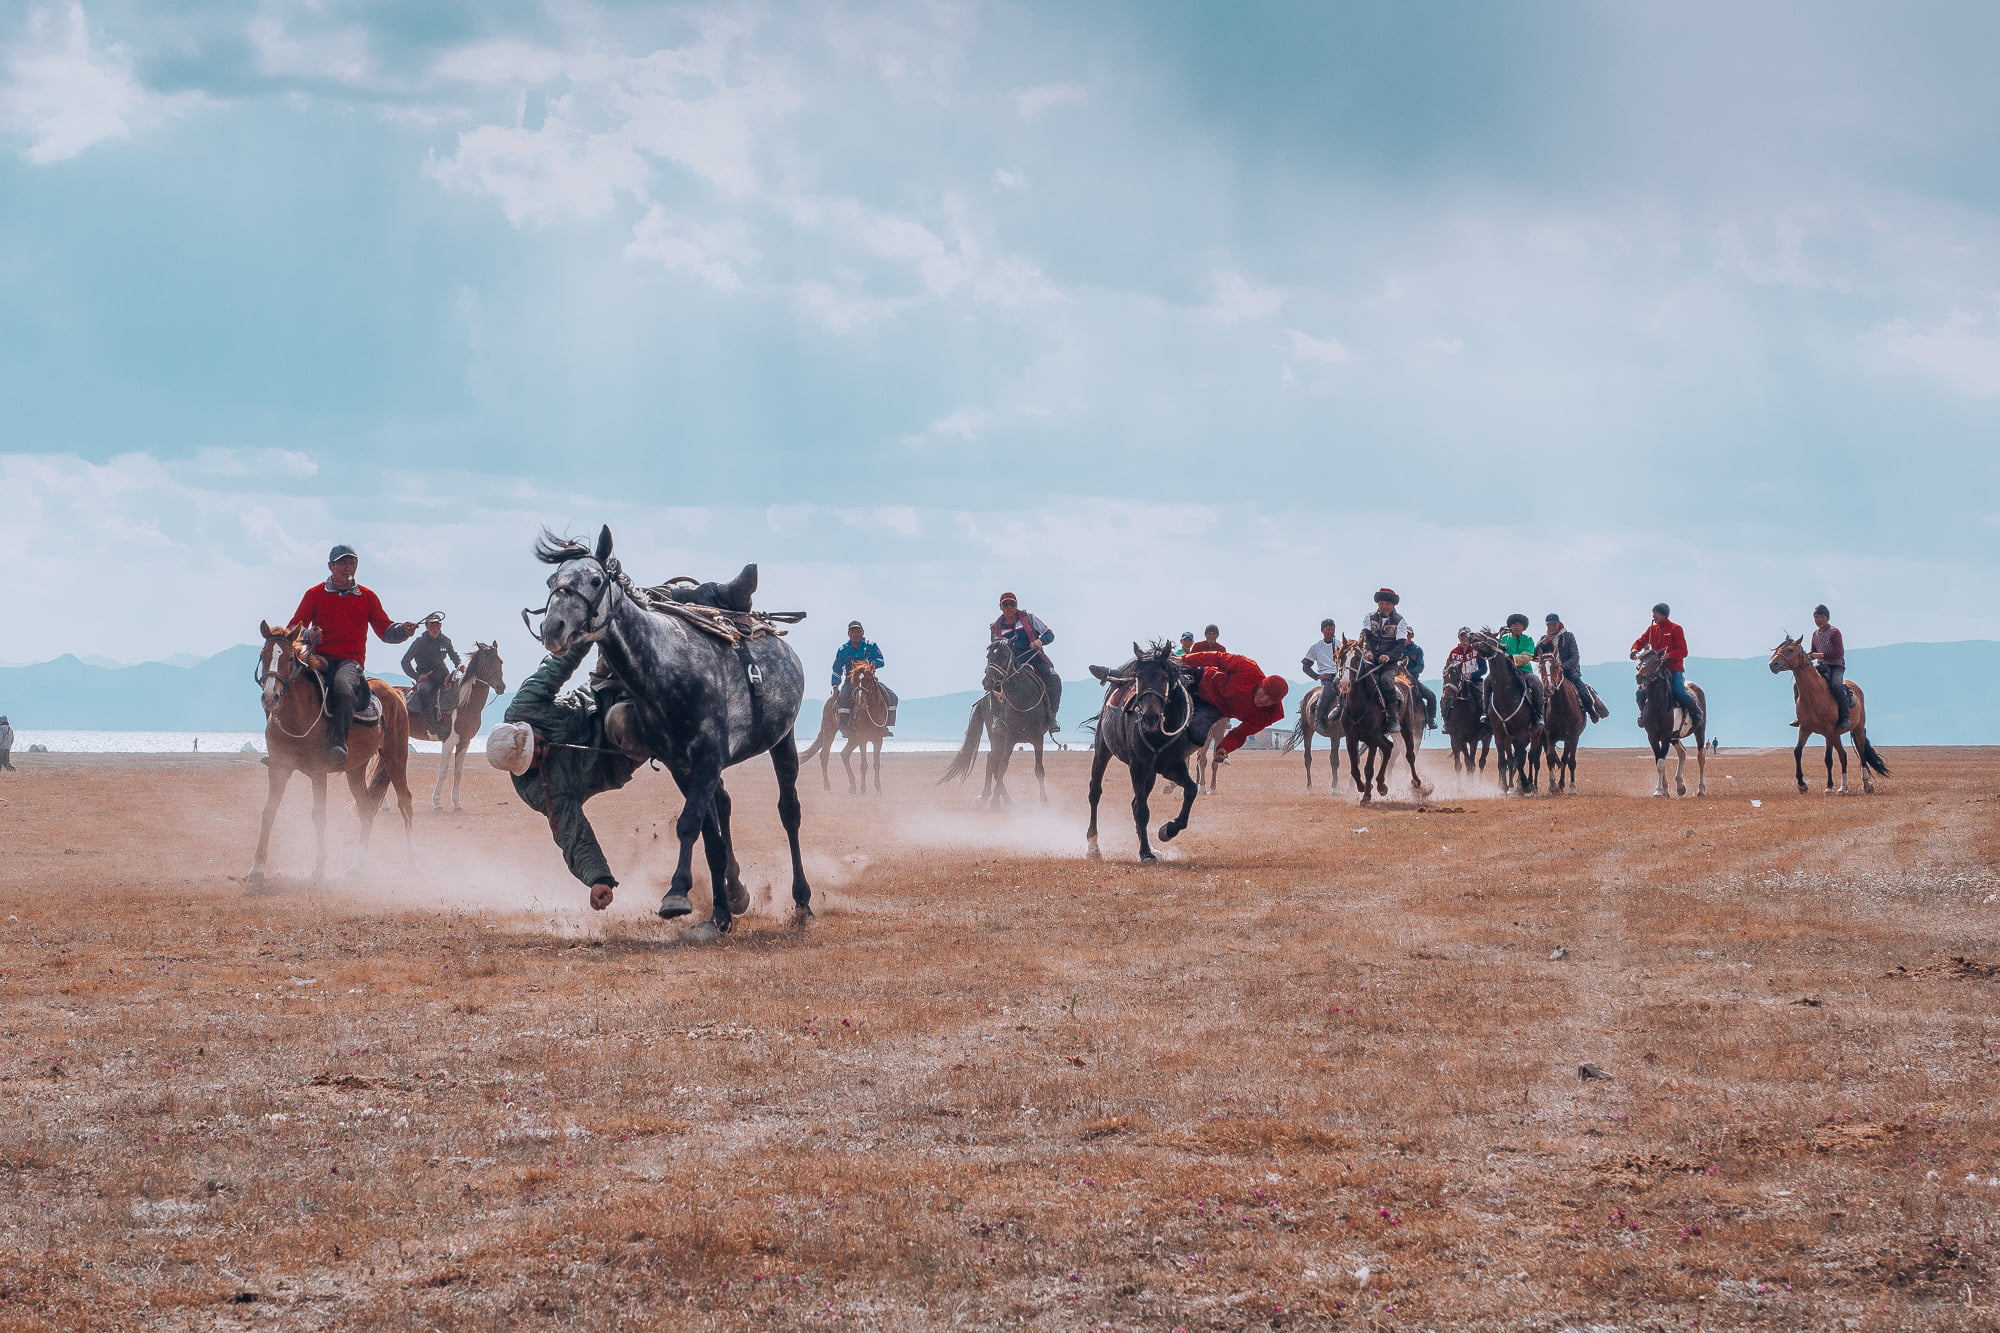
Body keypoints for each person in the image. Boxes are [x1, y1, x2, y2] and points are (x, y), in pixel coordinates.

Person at [488, 644, 645, 912]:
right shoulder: (539, 791)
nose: (540, 750)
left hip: (599, 693)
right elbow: (572, 834)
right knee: (622, 720)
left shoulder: (524, 705)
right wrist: (598, 878)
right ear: (522, 768)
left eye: (533, 743)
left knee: (618, 641)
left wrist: (585, 636)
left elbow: (557, 665)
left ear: (521, 727)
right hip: (618, 751)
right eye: (532, 757)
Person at [288, 544, 416, 764]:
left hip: (350, 661)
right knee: (285, 682)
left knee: (343, 684)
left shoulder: (367, 597)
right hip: (318, 659)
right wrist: (308, 634)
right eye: (342, 563)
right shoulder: (314, 594)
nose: (347, 567)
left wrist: (402, 631)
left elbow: (385, 630)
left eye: (351, 563)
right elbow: (292, 629)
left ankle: (338, 743)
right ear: (331, 566)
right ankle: (280, 746)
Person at [1180, 649, 1289, 757]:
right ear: (1261, 684)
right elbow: (1217, 658)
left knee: (1198, 731)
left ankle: (1176, 758)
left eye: (1271, 700)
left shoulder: (1266, 716)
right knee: (1172, 674)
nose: (1264, 700)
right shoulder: (1248, 669)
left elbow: (1239, 735)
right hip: (1201, 677)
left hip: (1213, 707)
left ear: (1275, 703)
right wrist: (1185, 660)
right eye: (1264, 692)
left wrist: (1224, 748)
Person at [1361, 589, 1438, 731]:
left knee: (1386, 681)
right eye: (1381, 603)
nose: (1384, 606)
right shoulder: (1369, 617)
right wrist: (1367, 651)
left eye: (1387, 604)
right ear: (1378, 603)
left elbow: (1400, 645)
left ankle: (1394, 718)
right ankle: (1342, 708)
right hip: (1369, 659)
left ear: (1393, 605)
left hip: (1389, 663)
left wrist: (1389, 656)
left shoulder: (1400, 621)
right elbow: (1364, 636)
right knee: (1354, 677)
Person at [990, 592, 1061, 733]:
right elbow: (995, 649)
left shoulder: (1030, 618)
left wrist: (1040, 641)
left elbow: (1049, 634)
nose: (1009, 607)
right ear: (1000, 607)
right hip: (1009, 666)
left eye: (1012, 604)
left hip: (1034, 659)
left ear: (1016, 605)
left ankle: (1052, 716)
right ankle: (997, 718)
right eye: (1006, 604)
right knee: (993, 682)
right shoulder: (996, 627)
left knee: (1054, 679)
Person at [1629, 602, 1702, 729]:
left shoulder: (1675, 629)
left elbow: (1683, 651)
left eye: (1655, 614)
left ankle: (1696, 713)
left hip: (1673, 669)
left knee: (1679, 692)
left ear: (1663, 615)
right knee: (1640, 694)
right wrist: (1634, 649)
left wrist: (1669, 655)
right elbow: (1640, 641)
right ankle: (1643, 715)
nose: (1653, 616)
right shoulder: (1652, 629)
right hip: (1655, 671)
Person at [400, 613, 463, 738]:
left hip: (444, 677)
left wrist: (460, 665)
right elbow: (405, 661)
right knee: (423, 691)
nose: (435, 628)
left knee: (461, 689)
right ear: (427, 627)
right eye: (432, 625)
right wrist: (417, 676)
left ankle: (461, 724)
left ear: (441, 626)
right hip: (427, 678)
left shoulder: (445, 641)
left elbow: (454, 657)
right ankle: (432, 726)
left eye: (437, 625)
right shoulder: (419, 642)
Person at [1538, 613, 1608, 721]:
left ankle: (1592, 711)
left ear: (1558, 624)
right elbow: (1534, 655)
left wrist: (1563, 666)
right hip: (1550, 673)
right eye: (1549, 625)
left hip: (1569, 672)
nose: (1551, 627)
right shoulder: (1544, 639)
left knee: (1583, 692)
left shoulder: (1569, 636)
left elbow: (1575, 656)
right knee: (1538, 695)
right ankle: (1538, 720)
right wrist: (1543, 643)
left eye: (1553, 624)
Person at [832, 621, 898, 730]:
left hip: (869, 679)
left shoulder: (871, 645)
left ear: (862, 632)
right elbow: (836, 669)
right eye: (853, 632)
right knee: (842, 699)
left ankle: (885, 726)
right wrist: (835, 686)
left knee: (892, 697)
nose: (856, 634)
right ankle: (846, 728)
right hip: (851, 681)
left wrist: (866, 663)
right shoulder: (843, 650)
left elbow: (881, 660)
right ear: (849, 634)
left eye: (858, 631)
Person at [1498, 614, 1547, 727]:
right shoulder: (1503, 639)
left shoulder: (1528, 640)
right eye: (1514, 624)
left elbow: (1527, 656)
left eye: (1520, 624)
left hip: (1524, 671)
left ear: (1524, 627)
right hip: (1506, 672)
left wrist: (1510, 658)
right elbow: (1498, 654)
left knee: (1537, 684)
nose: (1517, 627)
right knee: (1487, 681)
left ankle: (1539, 715)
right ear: (1510, 626)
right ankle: (1486, 712)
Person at [1808, 603, 1850, 730]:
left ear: (1827, 618)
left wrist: (1820, 655)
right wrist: (1807, 655)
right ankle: (1802, 715)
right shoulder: (1815, 634)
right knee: (1799, 684)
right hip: (1821, 666)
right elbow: (1813, 650)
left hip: (1836, 666)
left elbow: (1839, 653)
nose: (1818, 620)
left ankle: (1845, 716)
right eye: (1816, 617)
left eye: (1821, 617)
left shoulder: (1834, 632)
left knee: (1836, 685)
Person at [1300, 618, 1341, 726]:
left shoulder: (1340, 645)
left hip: (1340, 675)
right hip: (1327, 678)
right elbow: (1306, 666)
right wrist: (1318, 676)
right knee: (1328, 691)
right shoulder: (1316, 647)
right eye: (1328, 629)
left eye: (1332, 629)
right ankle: (1318, 719)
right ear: (1322, 630)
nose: (1331, 632)